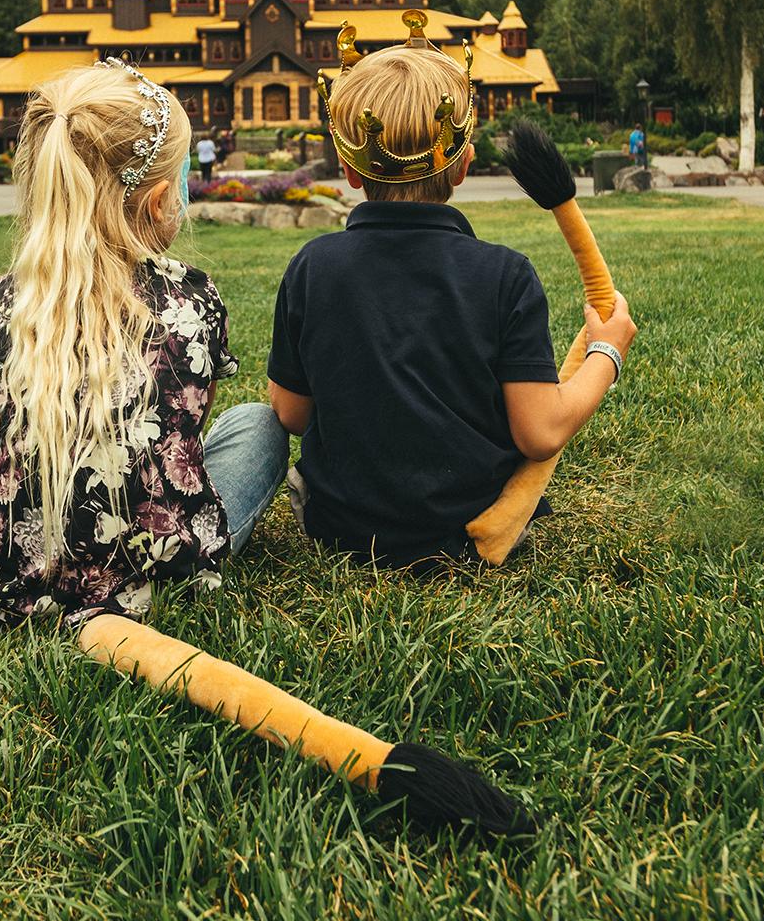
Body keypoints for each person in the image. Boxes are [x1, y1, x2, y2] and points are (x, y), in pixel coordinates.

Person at [0, 60, 287, 628]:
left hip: (34, 578)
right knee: (258, 424)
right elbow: (185, 426)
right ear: (159, 200)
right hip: (169, 570)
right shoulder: (192, 296)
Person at [266, 38, 638, 567]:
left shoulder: (312, 265)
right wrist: (607, 352)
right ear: (463, 164)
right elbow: (540, 433)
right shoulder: (506, 274)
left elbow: (290, 414)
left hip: (338, 530)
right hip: (472, 531)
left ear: (349, 173)